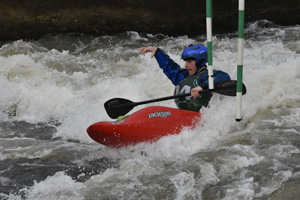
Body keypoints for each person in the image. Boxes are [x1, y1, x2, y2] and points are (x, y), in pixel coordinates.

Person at [139, 44, 231, 112]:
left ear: (201, 62)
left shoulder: (208, 74)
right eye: (186, 61)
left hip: (204, 117)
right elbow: (169, 67)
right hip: (185, 117)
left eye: (190, 61)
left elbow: (224, 77)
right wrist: (157, 52)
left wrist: (202, 86)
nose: (186, 65)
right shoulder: (183, 76)